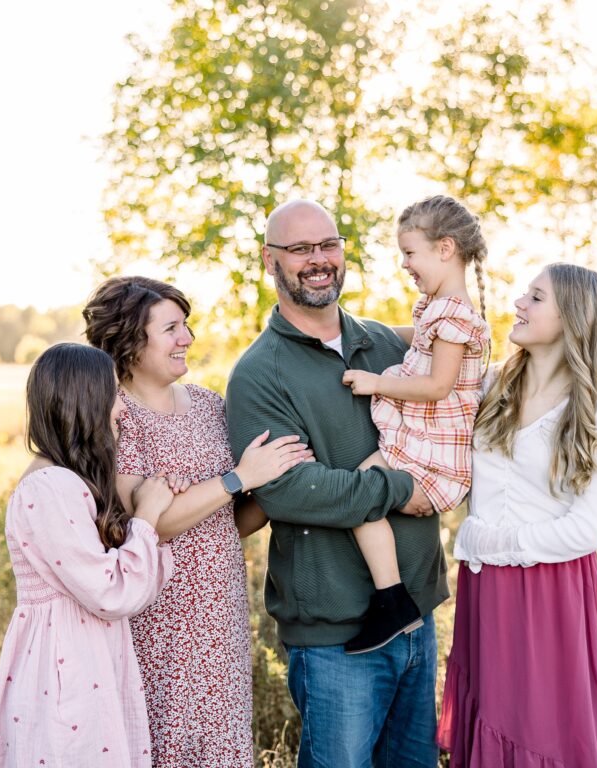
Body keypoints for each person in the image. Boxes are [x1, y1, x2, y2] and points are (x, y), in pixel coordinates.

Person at [226, 199, 444, 768]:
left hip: (418, 616)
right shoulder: (260, 373)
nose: (318, 260)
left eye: (328, 245)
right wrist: (400, 489)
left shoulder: (389, 345)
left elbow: (451, 409)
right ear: (269, 261)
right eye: (299, 249)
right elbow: (292, 490)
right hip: (335, 634)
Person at [83, 276, 312, 768]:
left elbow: (229, 522)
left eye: (185, 325)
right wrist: (238, 477)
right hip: (158, 617)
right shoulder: (117, 416)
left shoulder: (211, 406)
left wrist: (279, 486)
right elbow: (151, 525)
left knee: (223, 746)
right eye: (170, 328)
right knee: (166, 744)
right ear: (128, 339)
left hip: (220, 613)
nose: (186, 338)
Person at [437, 263, 597, 767]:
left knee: (543, 730)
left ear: (573, 317)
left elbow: (586, 528)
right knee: (493, 720)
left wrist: (490, 544)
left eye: (536, 297)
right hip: (484, 588)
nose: (519, 303)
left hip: (552, 590)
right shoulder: (489, 383)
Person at [0, 342, 177, 767]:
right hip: (67, 667)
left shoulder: (63, 482)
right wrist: (148, 516)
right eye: (112, 395)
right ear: (84, 402)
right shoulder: (51, 487)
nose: (121, 410)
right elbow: (109, 592)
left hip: (82, 656)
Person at [340, 195, 491, 654]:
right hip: (424, 444)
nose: (404, 264)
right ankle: (392, 598)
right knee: (361, 490)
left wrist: (373, 383)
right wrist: (360, 333)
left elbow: (437, 385)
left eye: (410, 253)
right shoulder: (438, 308)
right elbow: (412, 344)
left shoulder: (453, 316)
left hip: (435, 453)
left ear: (445, 248)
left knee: (360, 490)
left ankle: (392, 599)